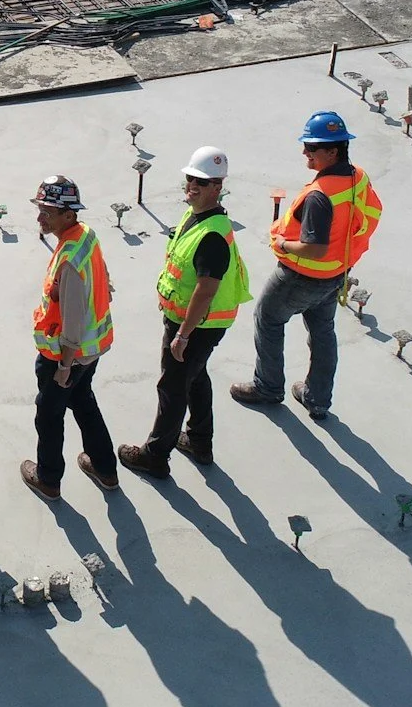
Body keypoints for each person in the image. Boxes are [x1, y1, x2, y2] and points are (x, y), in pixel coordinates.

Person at [233, 111, 384, 422]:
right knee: (323, 331)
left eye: (312, 148)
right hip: (336, 274)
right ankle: (317, 399)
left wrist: (282, 244)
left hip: (301, 277)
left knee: (268, 319)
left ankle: (268, 387)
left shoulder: (319, 196)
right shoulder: (358, 177)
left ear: (332, 151)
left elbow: (314, 248)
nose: (305, 153)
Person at [120, 147, 248, 477]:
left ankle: (155, 455)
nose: (192, 186)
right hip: (191, 322)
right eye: (190, 179)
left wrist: (182, 335)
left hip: (196, 325)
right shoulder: (196, 216)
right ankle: (199, 441)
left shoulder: (212, 236)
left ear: (218, 186)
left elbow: (206, 290)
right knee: (194, 376)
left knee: (172, 386)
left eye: (202, 182)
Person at [19, 175, 118, 502]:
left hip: (66, 356)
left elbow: (72, 319)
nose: (40, 218)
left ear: (68, 215)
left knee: (48, 416)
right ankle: (105, 469)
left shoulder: (70, 259)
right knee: (83, 401)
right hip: (92, 350)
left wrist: (63, 365)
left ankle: (48, 479)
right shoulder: (85, 236)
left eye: (47, 212)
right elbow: (101, 273)